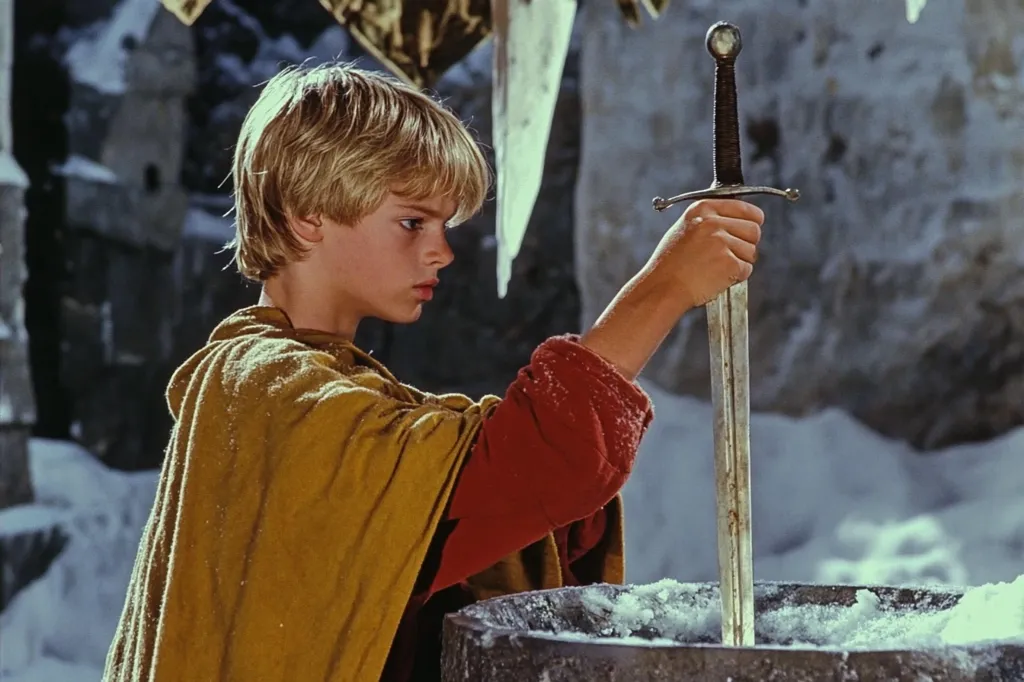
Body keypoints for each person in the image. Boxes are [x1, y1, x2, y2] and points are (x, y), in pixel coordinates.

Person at [102, 63, 765, 682]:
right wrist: (664, 288)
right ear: (307, 216)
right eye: (411, 221)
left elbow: (469, 514)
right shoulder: (270, 388)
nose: (442, 250)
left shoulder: (330, 398)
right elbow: (524, 467)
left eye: (444, 224)